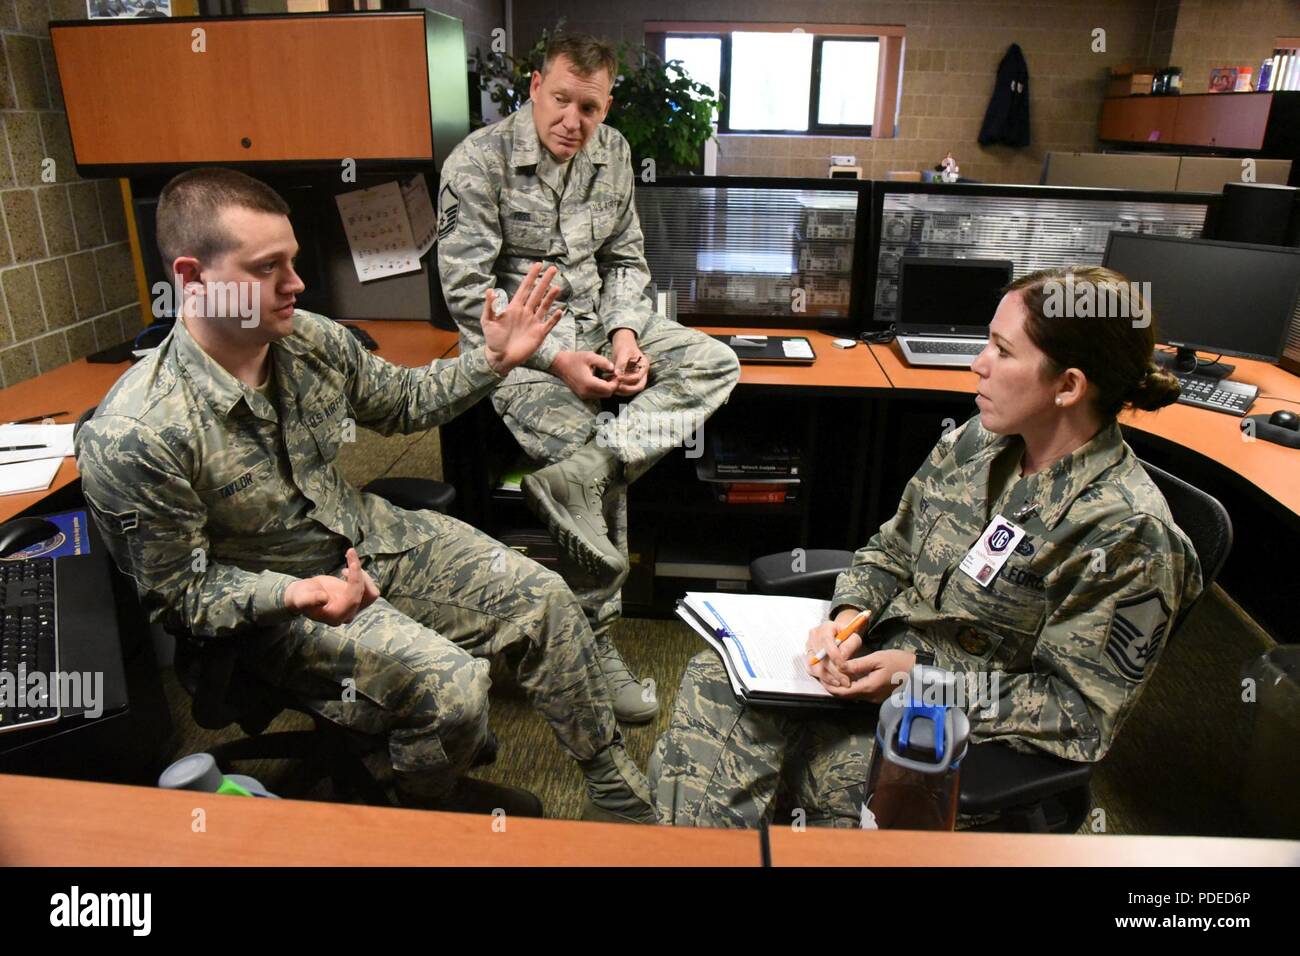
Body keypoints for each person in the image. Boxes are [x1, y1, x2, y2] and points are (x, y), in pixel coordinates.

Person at [75, 167, 655, 823]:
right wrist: (296, 593)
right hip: (273, 608)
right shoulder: (137, 432)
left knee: (546, 596)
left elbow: (405, 403)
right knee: (454, 689)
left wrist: (494, 361)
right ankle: (424, 805)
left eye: (292, 261)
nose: (296, 284)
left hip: (369, 541)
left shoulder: (309, 340)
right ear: (191, 277)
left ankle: (612, 790)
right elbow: (182, 595)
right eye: (268, 268)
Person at [650, 265, 1204, 828]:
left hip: (945, 737)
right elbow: (890, 551)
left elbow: (1080, 715)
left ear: (1068, 386)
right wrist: (846, 620)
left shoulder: (1128, 534)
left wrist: (918, 681)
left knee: (762, 771)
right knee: (713, 682)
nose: (977, 364)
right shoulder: (980, 442)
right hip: (864, 677)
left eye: (1002, 351)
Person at [437, 32, 741, 724]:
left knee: (714, 362)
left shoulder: (614, 154)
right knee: (584, 435)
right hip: (520, 346)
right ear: (536, 84)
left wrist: (629, 333)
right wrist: (555, 360)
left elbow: (627, 259)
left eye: (593, 108)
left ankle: (595, 467)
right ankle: (594, 642)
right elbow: (466, 296)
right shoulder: (477, 163)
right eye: (564, 100)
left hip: (603, 323)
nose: (575, 121)